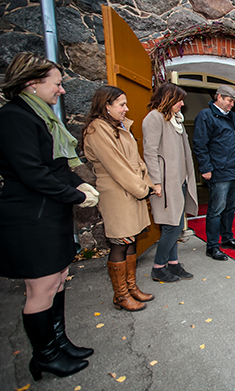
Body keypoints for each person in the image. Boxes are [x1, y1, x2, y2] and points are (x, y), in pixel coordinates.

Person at [0, 52, 96, 380]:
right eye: (56, 83)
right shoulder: (14, 118)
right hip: (30, 219)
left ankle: (59, 343)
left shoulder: (43, 119)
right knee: (40, 288)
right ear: (32, 83)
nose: (61, 90)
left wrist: (79, 181)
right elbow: (33, 173)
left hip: (49, 214)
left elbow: (57, 165)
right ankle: (44, 356)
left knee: (57, 279)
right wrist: (77, 194)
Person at [82, 86, 155, 311]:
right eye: (121, 104)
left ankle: (131, 287)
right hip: (117, 192)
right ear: (107, 105)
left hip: (132, 189)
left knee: (131, 239)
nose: (126, 108)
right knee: (120, 241)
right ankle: (121, 295)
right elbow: (116, 166)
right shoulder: (97, 130)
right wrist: (142, 189)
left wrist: (148, 183)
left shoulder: (120, 126)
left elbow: (136, 160)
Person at [143, 83, 198, 282]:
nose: (182, 104)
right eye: (179, 100)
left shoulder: (176, 120)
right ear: (168, 98)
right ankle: (158, 267)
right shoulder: (154, 118)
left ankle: (173, 264)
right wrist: (156, 182)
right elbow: (150, 152)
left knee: (176, 223)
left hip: (179, 181)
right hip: (165, 183)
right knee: (171, 226)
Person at [193, 85, 235, 261]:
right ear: (219, 97)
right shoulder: (206, 116)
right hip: (218, 172)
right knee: (216, 210)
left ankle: (227, 238)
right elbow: (200, 145)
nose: (232, 105)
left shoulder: (232, 117)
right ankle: (212, 246)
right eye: (230, 101)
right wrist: (206, 168)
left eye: (233, 102)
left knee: (231, 208)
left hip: (234, 170)